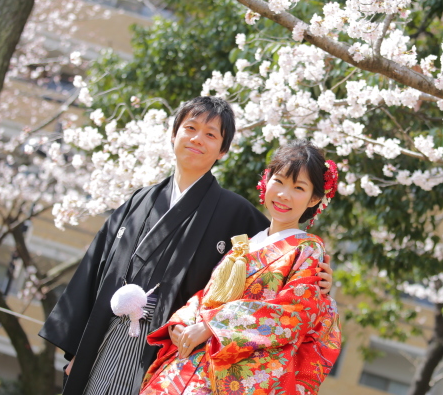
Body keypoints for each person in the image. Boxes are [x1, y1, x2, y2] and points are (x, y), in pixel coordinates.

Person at [38, 97, 333, 395]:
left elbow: (280, 263)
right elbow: (97, 271)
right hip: (110, 336)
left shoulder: (237, 214)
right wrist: (79, 349)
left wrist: (320, 281)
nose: (197, 139)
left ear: (223, 150)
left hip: (172, 353)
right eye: (190, 128)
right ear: (173, 134)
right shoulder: (139, 200)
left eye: (210, 134)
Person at [140, 140, 341, 395]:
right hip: (189, 363)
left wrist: (212, 326)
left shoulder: (308, 250)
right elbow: (210, 295)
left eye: (298, 188)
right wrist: (182, 322)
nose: (283, 194)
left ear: (314, 199)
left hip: (236, 373)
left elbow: (293, 313)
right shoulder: (245, 244)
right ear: (266, 181)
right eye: (278, 181)